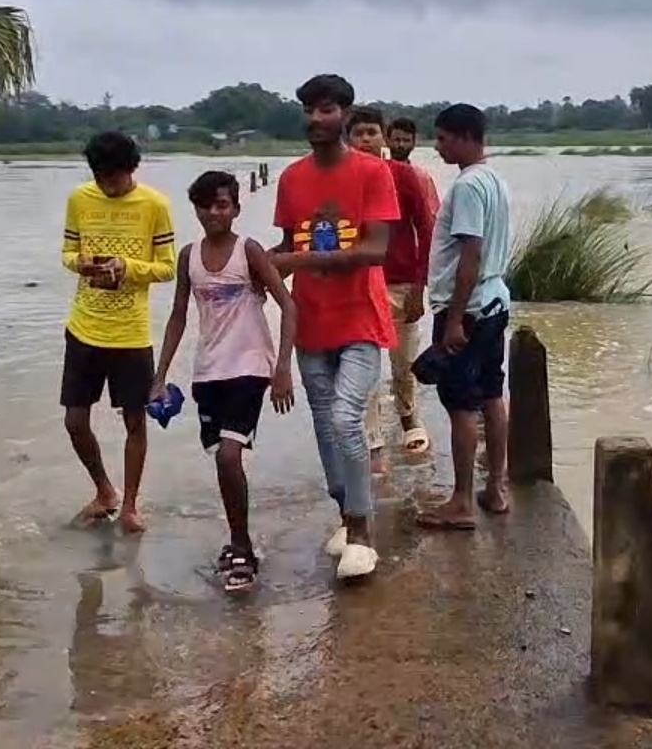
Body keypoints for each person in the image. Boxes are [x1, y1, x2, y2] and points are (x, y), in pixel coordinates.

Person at [272, 73, 400, 581]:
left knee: (348, 418)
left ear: (346, 114)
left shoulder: (372, 173)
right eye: (308, 109)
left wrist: (298, 258)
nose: (314, 119)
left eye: (326, 110)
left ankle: (363, 531)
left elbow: (376, 249)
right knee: (325, 424)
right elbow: (284, 250)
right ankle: (345, 516)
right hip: (311, 320)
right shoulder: (291, 179)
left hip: (361, 317)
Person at [152, 170, 298, 593]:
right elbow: (179, 316)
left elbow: (288, 305)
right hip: (208, 372)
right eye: (205, 205)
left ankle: (240, 545)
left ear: (235, 208)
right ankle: (240, 539)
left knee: (229, 456)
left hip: (250, 367)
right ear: (195, 208)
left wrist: (282, 368)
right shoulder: (188, 256)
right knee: (222, 457)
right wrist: (159, 376)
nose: (214, 213)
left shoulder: (248, 251)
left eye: (222, 205)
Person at [59, 131, 177, 534]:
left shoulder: (155, 205)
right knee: (75, 421)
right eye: (101, 177)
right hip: (83, 327)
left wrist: (128, 267)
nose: (107, 185)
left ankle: (129, 506)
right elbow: (68, 254)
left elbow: (167, 267)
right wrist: (84, 264)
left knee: (134, 423)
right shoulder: (79, 199)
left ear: (131, 169)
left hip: (130, 334)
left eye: (115, 177)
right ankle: (103, 490)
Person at [417, 103, 514, 530]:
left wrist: (454, 320)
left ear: (465, 137)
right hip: (495, 302)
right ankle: (494, 489)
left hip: (470, 308)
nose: (437, 147)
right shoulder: (494, 181)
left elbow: (469, 256)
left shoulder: (468, 187)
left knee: (460, 403)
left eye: (442, 138)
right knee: (492, 394)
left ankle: (461, 502)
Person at [346, 106, 438, 471]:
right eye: (358, 133)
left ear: (383, 136)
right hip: (356, 285)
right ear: (347, 138)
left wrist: (420, 286)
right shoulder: (340, 180)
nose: (366, 140)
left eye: (372, 132)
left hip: (400, 282)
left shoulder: (404, 176)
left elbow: (427, 230)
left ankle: (408, 418)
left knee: (404, 363)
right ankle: (373, 441)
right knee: (363, 366)